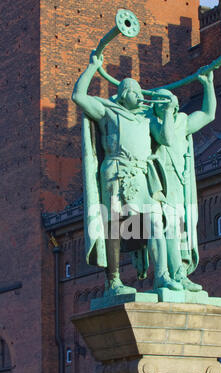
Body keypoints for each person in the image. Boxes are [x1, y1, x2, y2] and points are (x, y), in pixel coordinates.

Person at [72, 51, 183, 296]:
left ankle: (162, 275)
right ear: (123, 94)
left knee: (154, 223)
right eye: (135, 92)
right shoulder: (108, 111)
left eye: (140, 92)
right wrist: (92, 67)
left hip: (142, 175)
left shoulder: (146, 120)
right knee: (115, 225)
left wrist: (166, 113)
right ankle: (113, 281)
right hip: (116, 172)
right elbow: (78, 96)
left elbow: (166, 138)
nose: (140, 96)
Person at [151, 68, 217, 291]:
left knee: (178, 231)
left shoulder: (183, 123)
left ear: (176, 105)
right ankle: (171, 274)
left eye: (167, 102)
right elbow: (165, 138)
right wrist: (166, 113)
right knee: (165, 229)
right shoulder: (151, 124)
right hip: (158, 187)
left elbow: (208, 114)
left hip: (178, 186)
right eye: (159, 102)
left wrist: (208, 85)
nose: (163, 105)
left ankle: (179, 274)